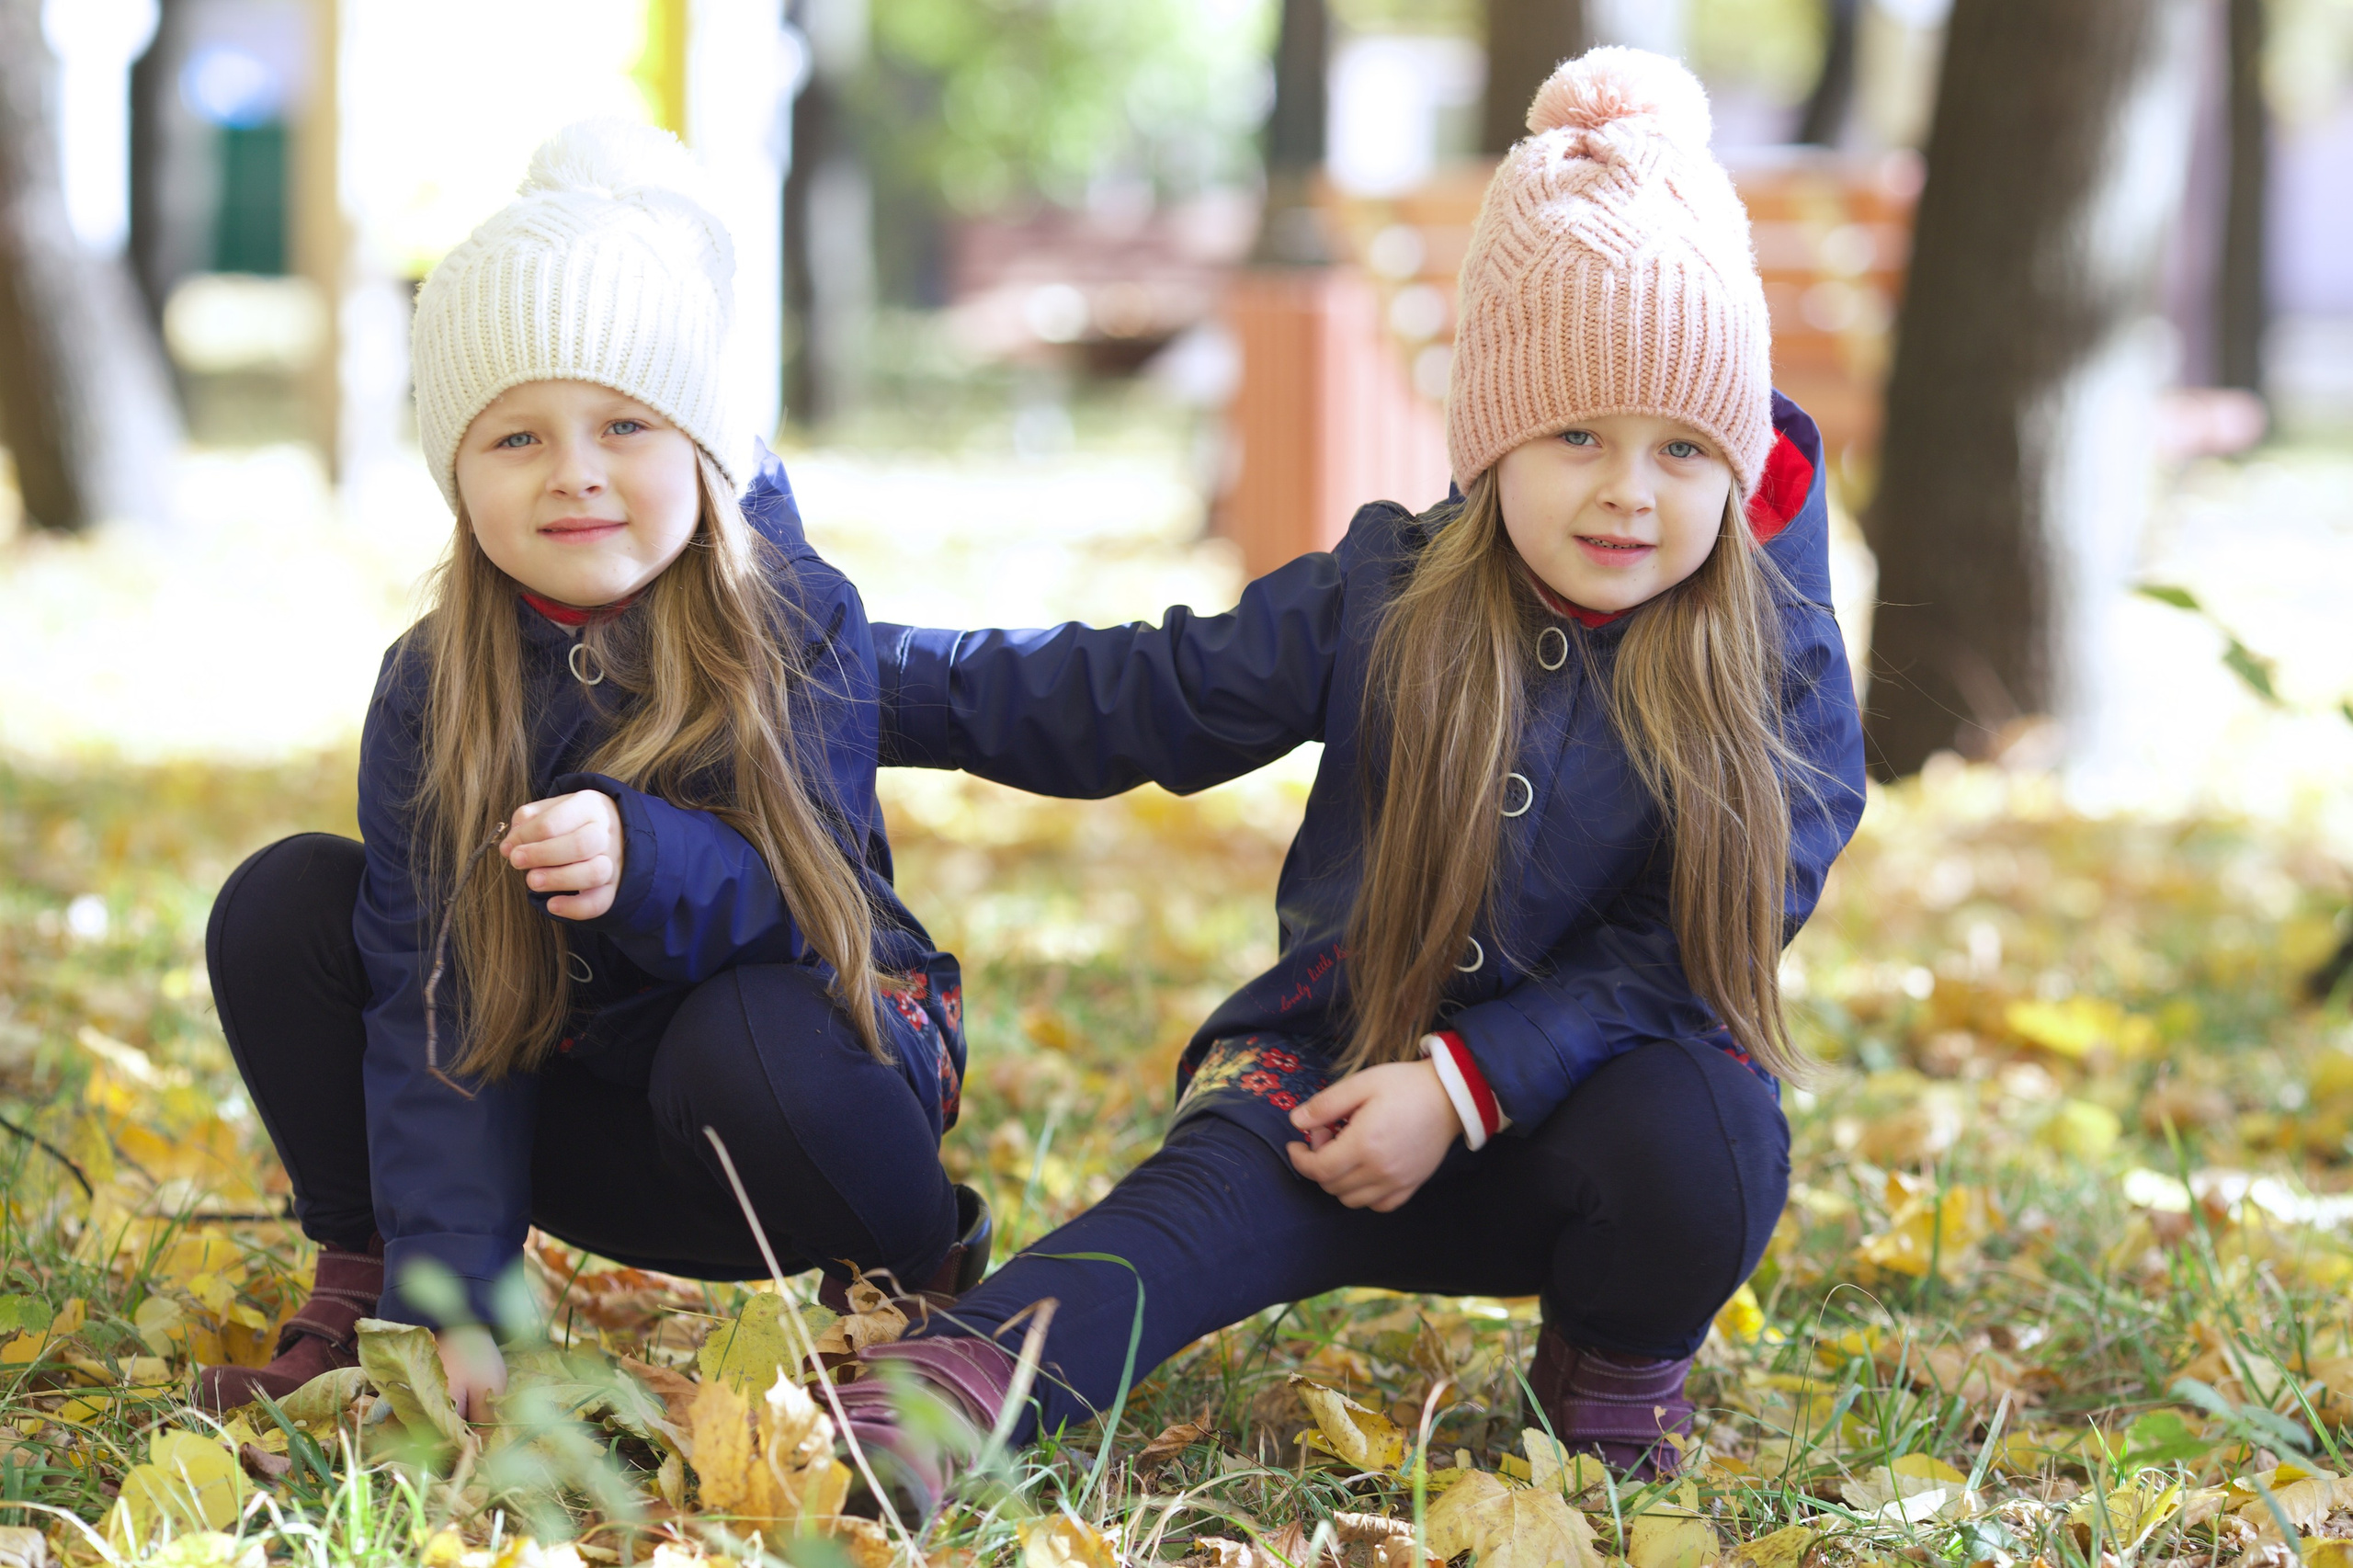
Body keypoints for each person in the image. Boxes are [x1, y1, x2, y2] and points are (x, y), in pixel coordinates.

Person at [834, 48, 1868, 1506]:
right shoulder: (1391, 591)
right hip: (1329, 1080)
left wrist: (1465, 1083)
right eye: (1577, 433)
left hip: (1588, 1133)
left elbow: (1702, 946)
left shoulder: (1777, 658)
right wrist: (829, 666)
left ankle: (1616, 1370)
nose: (1629, 490)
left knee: (1715, 1133)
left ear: (1737, 454)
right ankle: (955, 1394)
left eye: (1682, 447)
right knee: (1172, 1227)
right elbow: (1134, 693)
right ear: (1497, 434)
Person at [198, 120, 986, 1415]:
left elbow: (813, 899)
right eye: (517, 439)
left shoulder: (793, 620)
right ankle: (389, 1283)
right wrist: (453, 1293)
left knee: (750, 1033)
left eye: (624, 422)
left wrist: (642, 854)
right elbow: (434, 996)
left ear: (700, 445)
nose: (575, 474)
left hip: (808, 1110)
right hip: (587, 1107)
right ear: (457, 473)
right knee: (287, 904)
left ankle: (915, 1296)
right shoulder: (434, 681)